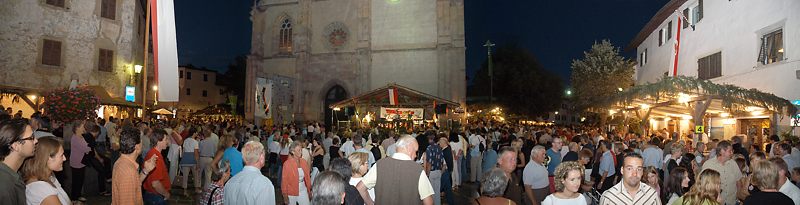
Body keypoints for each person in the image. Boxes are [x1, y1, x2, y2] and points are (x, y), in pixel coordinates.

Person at [356, 135, 434, 205]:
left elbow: (360, 188)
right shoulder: (417, 170)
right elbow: (428, 202)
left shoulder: (379, 165)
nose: (415, 156)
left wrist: (370, 203)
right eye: (415, 151)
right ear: (409, 149)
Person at [112, 126, 157, 205]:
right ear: (137, 146)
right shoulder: (128, 171)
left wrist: (145, 171)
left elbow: (134, 184)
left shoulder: (122, 162)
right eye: (141, 140)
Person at [22, 136, 68, 205]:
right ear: (48, 158)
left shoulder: (49, 175)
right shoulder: (41, 189)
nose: (65, 159)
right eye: (61, 155)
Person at [0, 118, 37, 204]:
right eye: (31, 138)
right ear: (16, 145)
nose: (36, 141)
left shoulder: (13, 173)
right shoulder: (5, 185)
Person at [700, 140, 742, 205]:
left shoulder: (733, 164)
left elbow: (738, 182)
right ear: (722, 151)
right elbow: (702, 185)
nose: (732, 153)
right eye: (730, 151)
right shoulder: (708, 165)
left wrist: (737, 196)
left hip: (732, 201)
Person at [143, 129, 171, 204]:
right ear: (158, 141)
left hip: (153, 195)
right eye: (166, 139)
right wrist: (166, 194)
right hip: (156, 196)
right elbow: (155, 183)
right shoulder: (155, 157)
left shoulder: (153, 153)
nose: (167, 142)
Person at [69, 120, 90, 202]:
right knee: (76, 181)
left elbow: (87, 147)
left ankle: (78, 196)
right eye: (82, 126)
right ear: (77, 128)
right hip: (76, 163)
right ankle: (74, 198)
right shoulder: (75, 138)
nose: (83, 128)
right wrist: (90, 147)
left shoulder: (80, 136)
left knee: (80, 180)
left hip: (81, 162)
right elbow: (86, 149)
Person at [423, 133, 445, 205]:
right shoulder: (439, 147)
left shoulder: (429, 148)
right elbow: (442, 160)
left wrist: (427, 174)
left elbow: (429, 163)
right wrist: (441, 171)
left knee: (431, 192)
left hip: (431, 172)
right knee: (437, 191)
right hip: (438, 170)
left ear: (429, 139)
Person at [180, 128, 201, 196]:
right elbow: (196, 154)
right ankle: (196, 189)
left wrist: (182, 159)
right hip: (192, 160)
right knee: (196, 175)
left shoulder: (185, 140)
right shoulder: (195, 142)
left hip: (185, 159)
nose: (197, 134)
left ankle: (185, 191)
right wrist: (198, 163)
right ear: (194, 133)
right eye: (196, 132)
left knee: (185, 176)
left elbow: (183, 151)